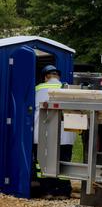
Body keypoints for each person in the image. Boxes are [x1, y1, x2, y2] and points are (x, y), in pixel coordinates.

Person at [33, 65, 75, 199]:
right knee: (63, 162)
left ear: (46, 77)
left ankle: (47, 191)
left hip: (42, 133)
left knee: (42, 164)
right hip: (65, 135)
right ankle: (63, 191)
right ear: (58, 77)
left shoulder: (37, 89)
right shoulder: (67, 88)